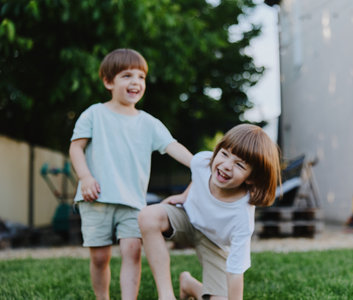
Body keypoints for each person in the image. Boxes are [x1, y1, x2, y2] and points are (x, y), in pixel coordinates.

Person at [69, 48, 192, 300]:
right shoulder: (94, 114)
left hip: (133, 201)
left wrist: (199, 163)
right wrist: (85, 177)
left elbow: (173, 147)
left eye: (141, 76)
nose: (135, 82)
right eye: (127, 75)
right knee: (100, 257)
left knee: (133, 251)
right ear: (108, 82)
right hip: (96, 198)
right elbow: (75, 148)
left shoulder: (149, 122)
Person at [138, 124, 281, 300]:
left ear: (251, 178)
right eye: (225, 154)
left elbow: (236, 271)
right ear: (217, 151)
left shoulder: (242, 217)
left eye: (239, 165)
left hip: (214, 242)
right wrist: (184, 196)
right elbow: (198, 174)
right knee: (148, 216)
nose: (226, 165)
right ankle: (166, 295)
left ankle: (189, 284)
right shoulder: (203, 162)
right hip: (188, 219)